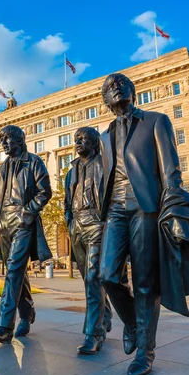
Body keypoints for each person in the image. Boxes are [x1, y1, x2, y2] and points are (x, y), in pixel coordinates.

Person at [98, 73, 183, 375]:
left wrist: (171, 208)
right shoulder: (104, 135)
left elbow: (171, 171)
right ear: (105, 101)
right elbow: (104, 178)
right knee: (106, 274)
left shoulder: (156, 121)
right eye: (108, 88)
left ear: (133, 91)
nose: (115, 87)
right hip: (115, 210)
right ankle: (134, 323)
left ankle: (145, 352)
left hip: (146, 207)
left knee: (145, 283)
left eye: (121, 83)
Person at [0, 125, 52, 343]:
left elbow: (45, 192)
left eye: (8, 139)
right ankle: (27, 312)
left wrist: (27, 212)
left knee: (13, 270)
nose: (4, 144)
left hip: (23, 220)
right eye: (2, 140)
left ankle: (4, 326)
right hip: (4, 222)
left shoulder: (34, 161)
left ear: (21, 140)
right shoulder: (3, 167)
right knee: (18, 272)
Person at [64, 126, 113, 355]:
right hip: (77, 225)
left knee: (93, 277)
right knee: (89, 280)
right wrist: (69, 222)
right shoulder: (71, 170)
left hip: (97, 222)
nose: (78, 142)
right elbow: (66, 201)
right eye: (76, 139)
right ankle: (106, 314)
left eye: (83, 138)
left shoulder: (105, 163)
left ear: (94, 142)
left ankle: (93, 334)